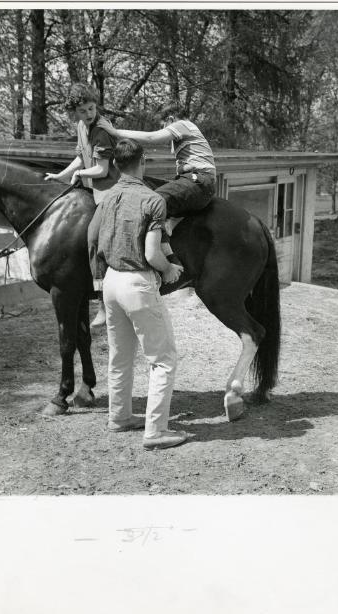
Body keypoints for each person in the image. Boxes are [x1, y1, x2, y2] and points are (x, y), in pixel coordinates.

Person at [97, 139, 188, 450]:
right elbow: (152, 253)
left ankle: (119, 417)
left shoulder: (109, 197)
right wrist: (168, 270)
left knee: (120, 357)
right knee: (163, 360)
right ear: (143, 161)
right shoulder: (152, 200)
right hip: (137, 283)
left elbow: (98, 242)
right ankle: (155, 432)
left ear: (118, 165)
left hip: (110, 282)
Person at [45, 83, 118, 328]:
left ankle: (103, 302)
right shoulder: (81, 126)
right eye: (83, 110)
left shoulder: (101, 130)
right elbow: (80, 157)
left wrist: (81, 174)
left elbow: (102, 169)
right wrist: (62, 176)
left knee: (95, 237)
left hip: (111, 192)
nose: (89, 114)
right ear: (75, 112)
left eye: (91, 108)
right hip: (91, 190)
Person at [96, 103, 216, 233]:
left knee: (154, 200)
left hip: (199, 182)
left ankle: (161, 242)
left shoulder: (183, 125)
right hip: (194, 180)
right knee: (141, 183)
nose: (163, 129)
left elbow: (151, 137)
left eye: (163, 125)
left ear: (170, 119)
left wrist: (115, 132)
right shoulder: (189, 134)